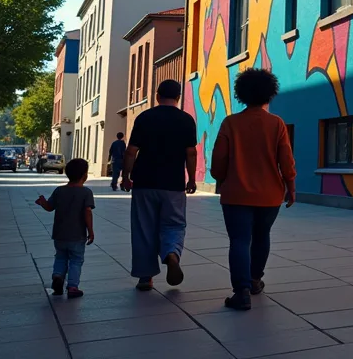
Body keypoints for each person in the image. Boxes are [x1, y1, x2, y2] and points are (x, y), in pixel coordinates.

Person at [211, 68, 297, 310]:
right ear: (270, 94)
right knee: (262, 237)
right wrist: (290, 186)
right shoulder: (277, 124)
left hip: (236, 194)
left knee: (239, 240)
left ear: (242, 94)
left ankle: (241, 291)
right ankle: (255, 279)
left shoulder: (230, 123)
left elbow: (218, 162)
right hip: (270, 195)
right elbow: (287, 161)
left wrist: (221, 178)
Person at [121, 79, 198, 291]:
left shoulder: (145, 117)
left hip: (144, 182)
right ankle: (171, 253)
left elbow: (131, 151)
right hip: (173, 183)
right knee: (173, 224)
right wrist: (191, 178)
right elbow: (191, 153)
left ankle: (145, 276)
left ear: (157, 96)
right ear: (178, 97)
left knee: (144, 227)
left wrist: (126, 175)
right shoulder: (186, 120)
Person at [35, 158, 95, 299]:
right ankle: (72, 286)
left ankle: (57, 276)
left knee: (60, 257)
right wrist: (90, 231)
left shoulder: (59, 191)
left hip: (59, 235)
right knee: (76, 260)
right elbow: (87, 212)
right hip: (77, 235)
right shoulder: (86, 192)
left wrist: (43, 202)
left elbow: (50, 208)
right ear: (84, 175)